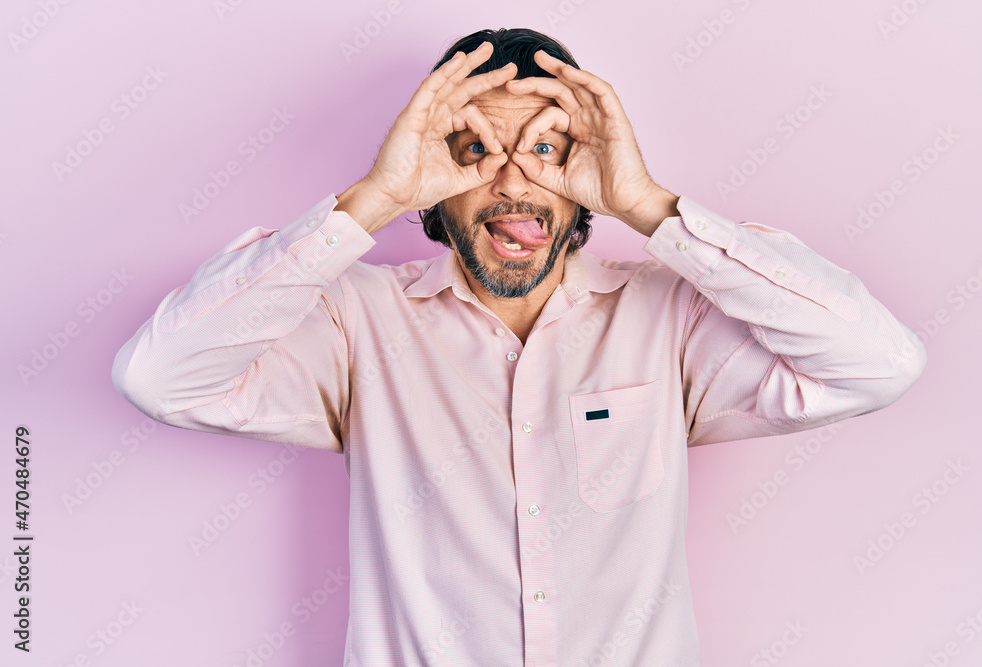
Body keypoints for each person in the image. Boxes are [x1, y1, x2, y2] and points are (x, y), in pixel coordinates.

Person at [112, 27, 926, 667]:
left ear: (587, 170)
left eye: (547, 149)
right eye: (472, 151)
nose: (511, 182)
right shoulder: (356, 324)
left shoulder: (668, 316)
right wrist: (372, 199)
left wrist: (650, 206)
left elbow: (878, 362)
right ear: (433, 182)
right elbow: (162, 376)